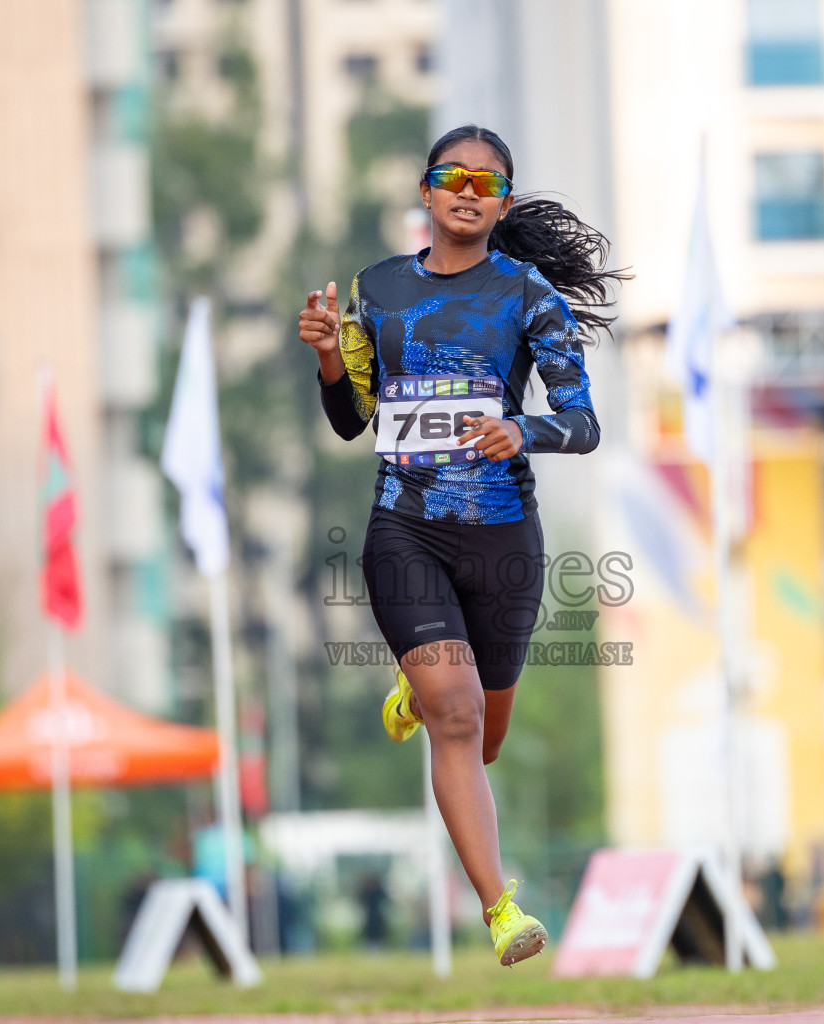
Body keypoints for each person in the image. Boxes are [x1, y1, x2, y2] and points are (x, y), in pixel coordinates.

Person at [299, 124, 625, 966]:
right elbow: (350, 421)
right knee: (458, 710)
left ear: (504, 202)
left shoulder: (530, 297)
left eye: (487, 182)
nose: (469, 191)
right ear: (427, 191)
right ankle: (501, 910)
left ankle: (416, 693)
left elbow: (584, 424)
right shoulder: (378, 290)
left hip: (502, 538)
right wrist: (334, 359)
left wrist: (524, 430)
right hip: (404, 528)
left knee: (483, 737)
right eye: (454, 176)